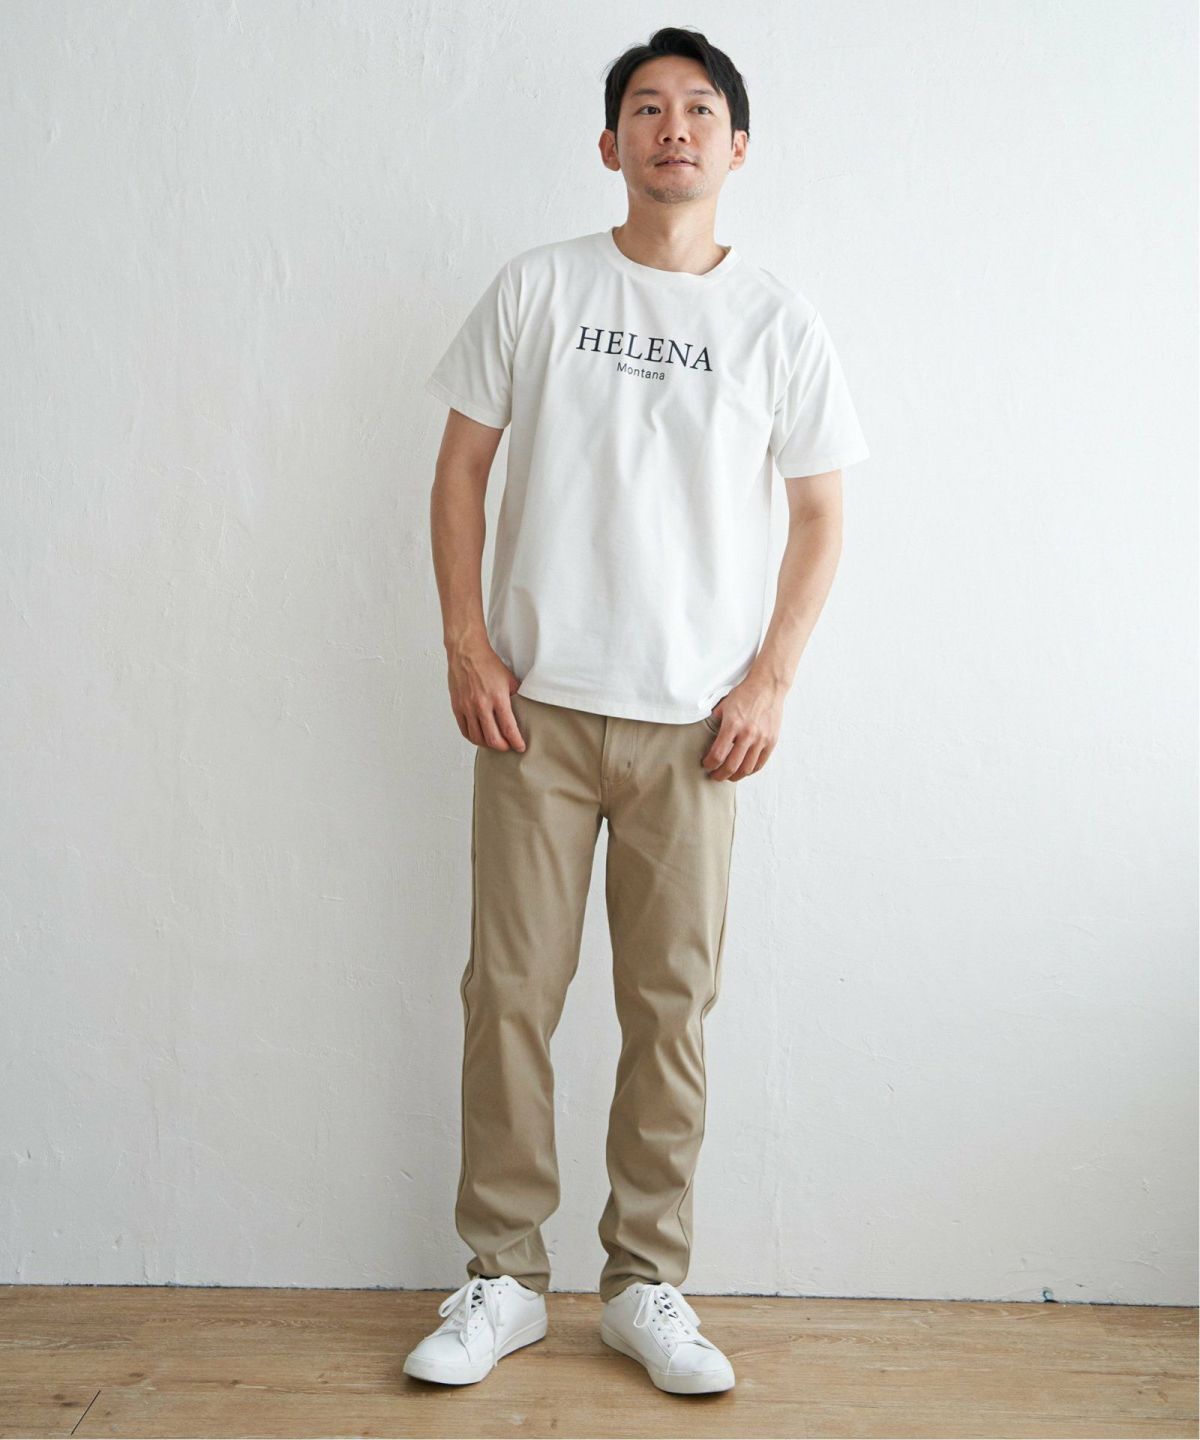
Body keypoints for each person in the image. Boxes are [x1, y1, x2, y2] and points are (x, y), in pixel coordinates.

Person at [403, 25, 869, 1397]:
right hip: (534, 712)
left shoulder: (777, 322)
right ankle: (502, 1276)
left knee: (671, 1008)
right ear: (610, 143)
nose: (675, 129)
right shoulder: (540, 288)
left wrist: (769, 681)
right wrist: (466, 642)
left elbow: (823, 513)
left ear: (737, 146)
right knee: (508, 996)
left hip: (696, 730)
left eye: (700, 109)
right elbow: (459, 471)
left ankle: (643, 1282)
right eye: (649, 109)